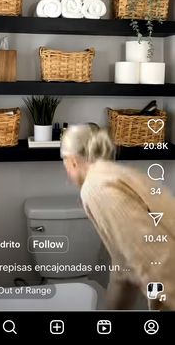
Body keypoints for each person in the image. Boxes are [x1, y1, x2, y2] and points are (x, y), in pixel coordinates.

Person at [60, 123, 175, 310]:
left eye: (64, 161)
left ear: (72, 161)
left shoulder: (96, 188)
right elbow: (123, 268)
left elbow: (158, 259)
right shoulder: (114, 174)